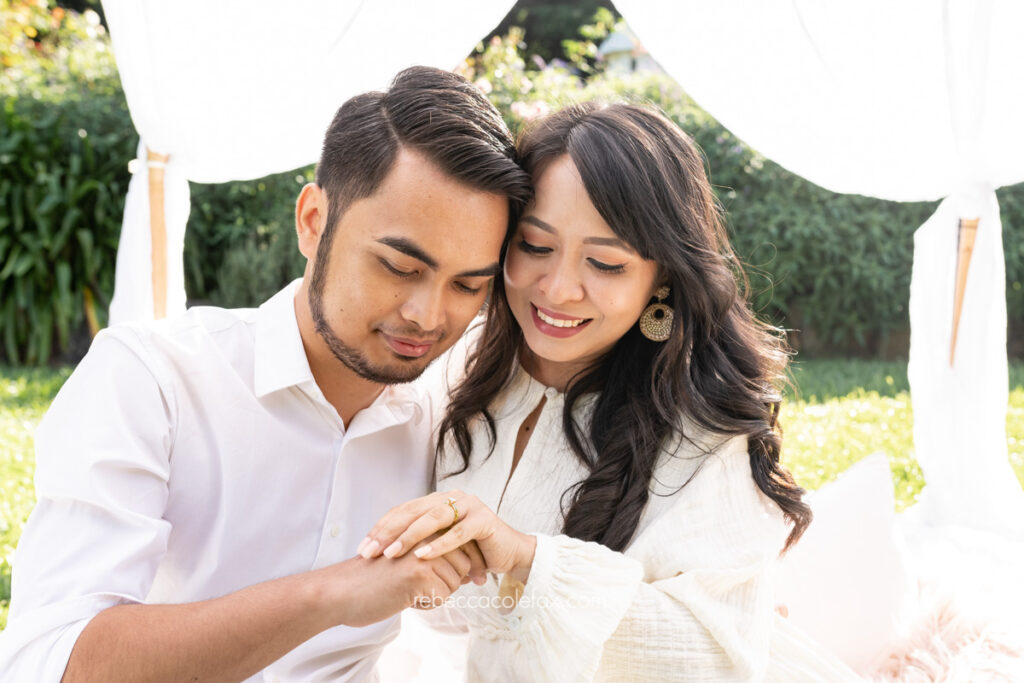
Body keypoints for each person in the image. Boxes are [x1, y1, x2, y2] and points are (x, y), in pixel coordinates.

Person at [0, 66, 531, 682]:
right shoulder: (152, 379)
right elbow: (50, 663)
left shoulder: (461, 408)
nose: (428, 316)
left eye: (469, 285)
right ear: (312, 221)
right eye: (397, 266)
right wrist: (331, 594)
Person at [361, 102, 861, 681]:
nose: (558, 288)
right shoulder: (459, 364)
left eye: (604, 262)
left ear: (663, 277)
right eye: (536, 246)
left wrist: (526, 560)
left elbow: (716, 653)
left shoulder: (704, 430)